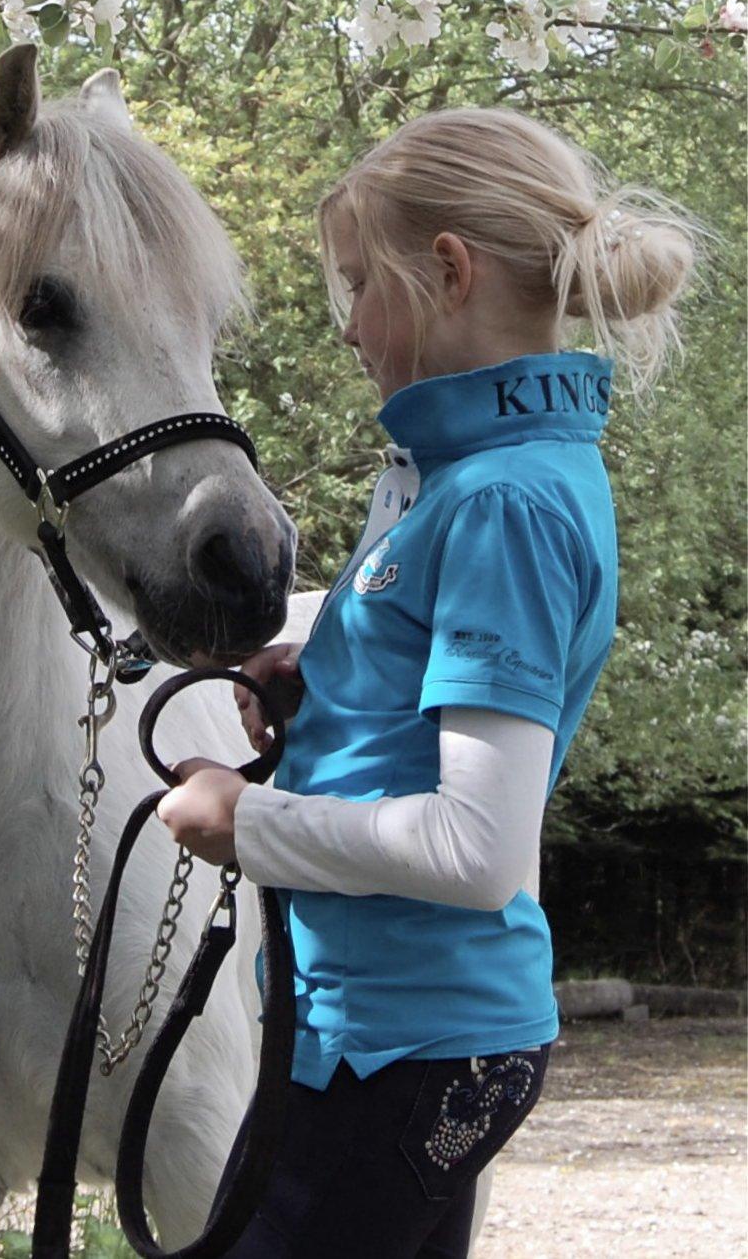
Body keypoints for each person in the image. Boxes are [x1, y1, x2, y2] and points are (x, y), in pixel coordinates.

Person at [155, 106, 703, 1258]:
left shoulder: (497, 500)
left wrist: (243, 820)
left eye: (357, 285)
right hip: (388, 1032)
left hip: (402, 1045)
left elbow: (475, 847)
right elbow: (434, 682)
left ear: (447, 271)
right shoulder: (464, 475)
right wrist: (327, 674)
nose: (348, 328)